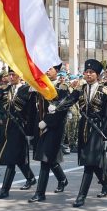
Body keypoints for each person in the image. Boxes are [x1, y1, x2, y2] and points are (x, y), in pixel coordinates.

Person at [71, 59, 107, 207]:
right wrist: (57, 105)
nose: (88, 74)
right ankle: (106, 183)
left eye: (91, 72)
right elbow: (70, 100)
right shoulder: (80, 89)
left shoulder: (105, 91)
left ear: (97, 75)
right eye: (86, 72)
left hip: (98, 129)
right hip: (83, 129)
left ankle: (81, 196)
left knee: (89, 164)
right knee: (92, 162)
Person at [28, 64, 70, 202]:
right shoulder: (41, 85)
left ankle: (40, 193)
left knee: (45, 159)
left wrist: (47, 122)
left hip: (54, 127)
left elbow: (62, 109)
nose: (46, 70)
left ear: (56, 71)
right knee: (49, 158)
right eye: (45, 68)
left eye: (50, 68)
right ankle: (62, 179)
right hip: (40, 125)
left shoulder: (62, 87)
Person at [0, 68, 37, 199]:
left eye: (14, 75)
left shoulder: (26, 90)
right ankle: (30, 178)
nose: (11, 77)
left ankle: (4, 190)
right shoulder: (6, 90)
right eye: (10, 75)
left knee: (11, 159)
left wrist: (30, 131)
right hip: (8, 128)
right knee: (18, 158)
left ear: (20, 75)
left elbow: (31, 112)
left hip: (20, 129)